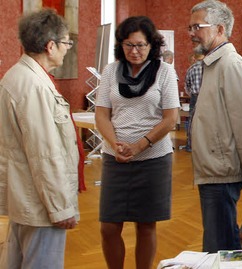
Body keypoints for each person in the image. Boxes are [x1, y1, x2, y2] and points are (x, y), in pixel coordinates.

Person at [95, 16, 179, 269]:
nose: (135, 51)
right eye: (129, 45)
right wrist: (115, 144)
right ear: (120, 45)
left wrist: (140, 145)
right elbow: (101, 113)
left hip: (153, 159)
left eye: (141, 45)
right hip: (115, 158)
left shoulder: (164, 71)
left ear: (151, 45)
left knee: (145, 225)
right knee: (109, 227)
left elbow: (170, 118)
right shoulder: (111, 71)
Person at [0, 9, 79, 269]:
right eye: (66, 42)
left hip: (27, 198)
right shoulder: (33, 86)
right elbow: (45, 155)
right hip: (40, 207)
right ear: (50, 45)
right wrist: (61, 208)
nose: (68, 49)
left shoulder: (18, 76)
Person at [188, 0, 242, 253]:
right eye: (189, 27)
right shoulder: (214, 64)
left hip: (221, 172)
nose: (191, 33)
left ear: (220, 29)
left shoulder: (230, 65)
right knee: (219, 243)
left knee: (220, 248)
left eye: (197, 27)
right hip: (213, 169)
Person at [183, 53, 204, 152]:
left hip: (195, 97)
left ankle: (190, 146)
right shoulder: (210, 68)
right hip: (208, 96)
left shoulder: (191, 69)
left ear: (195, 57)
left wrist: (192, 94)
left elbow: (187, 86)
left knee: (192, 121)